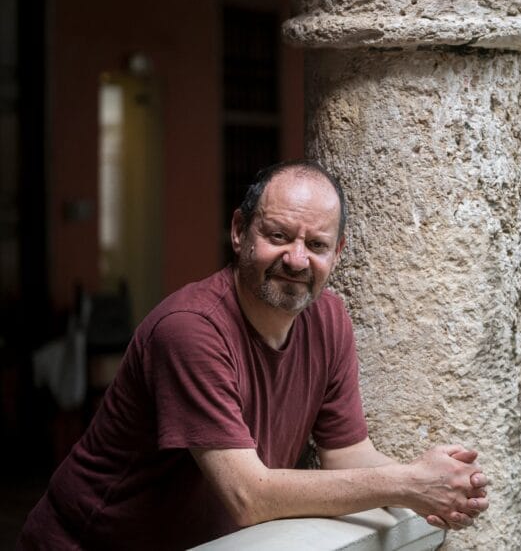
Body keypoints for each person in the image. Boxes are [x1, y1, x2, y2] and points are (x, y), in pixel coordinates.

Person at [19, 160, 489, 550]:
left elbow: (347, 455)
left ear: (338, 253)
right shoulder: (190, 329)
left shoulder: (329, 319)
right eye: (279, 235)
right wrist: (408, 484)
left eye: (317, 245)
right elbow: (248, 495)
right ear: (239, 231)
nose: (297, 259)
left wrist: (438, 483)